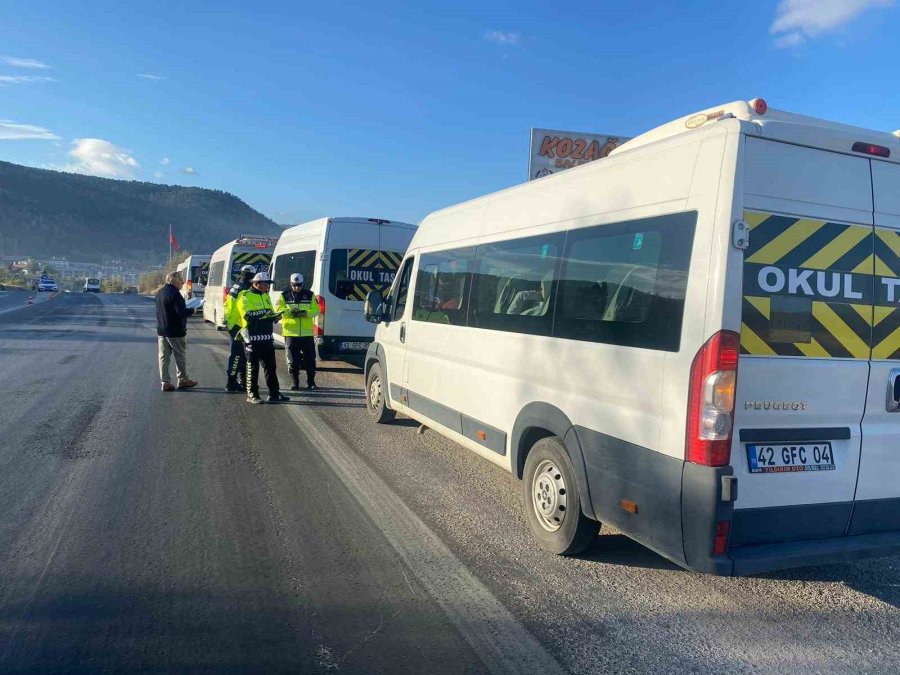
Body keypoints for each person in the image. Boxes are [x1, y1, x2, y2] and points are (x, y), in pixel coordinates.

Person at [237, 272, 288, 404]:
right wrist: (264, 313)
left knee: (271, 367)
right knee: (252, 368)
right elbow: (248, 315)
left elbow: (270, 312)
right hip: (252, 338)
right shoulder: (245, 296)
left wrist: (276, 317)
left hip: (267, 337)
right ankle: (252, 394)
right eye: (266, 284)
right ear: (257, 284)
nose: (268, 287)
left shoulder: (265, 296)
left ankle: (274, 393)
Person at [275, 273, 320, 391]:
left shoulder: (309, 295)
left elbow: (316, 310)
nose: (297, 288)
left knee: (310, 359)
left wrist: (305, 313)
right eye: (294, 285)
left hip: (306, 334)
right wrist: (290, 312)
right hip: (291, 333)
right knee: (293, 360)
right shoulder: (284, 295)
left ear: (303, 284)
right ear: (290, 284)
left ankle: (311, 382)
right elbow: (278, 309)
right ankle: (295, 382)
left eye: (299, 285)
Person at [155, 271, 198, 392]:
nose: (183, 283)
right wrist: (192, 310)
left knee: (163, 357)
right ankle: (183, 379)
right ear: (173, 280)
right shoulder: (175, 294)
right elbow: (181, 312)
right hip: (176, 331)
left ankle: (165, 382)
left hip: (162, 330)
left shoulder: (159, 293)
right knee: (180, 356)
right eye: (181, 280)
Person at [224, 265, 257, 392]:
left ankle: (242, 381)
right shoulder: (244, 289)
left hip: (235, 325)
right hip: (239, 326)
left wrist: (228, 323)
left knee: (243, 355)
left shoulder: (236, 286)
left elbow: (227, 305)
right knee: (238, 355)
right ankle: (231, 382)